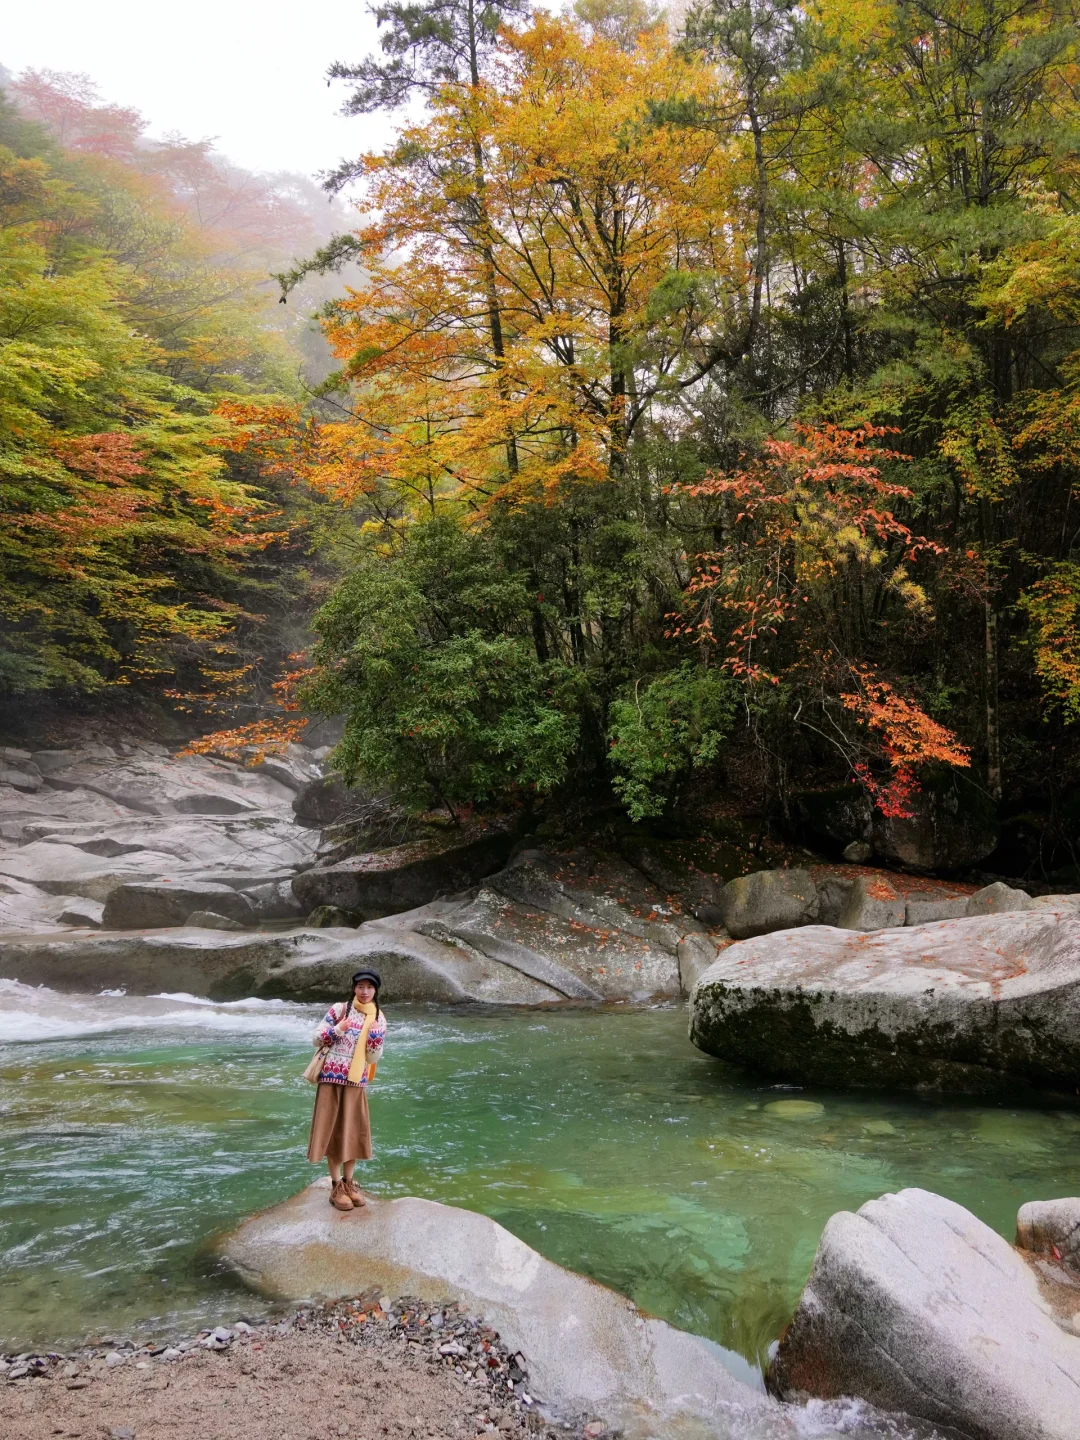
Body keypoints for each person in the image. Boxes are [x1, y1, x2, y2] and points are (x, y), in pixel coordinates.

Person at [306, 968, 387, 1212]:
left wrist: (375, 1039)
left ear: (375, 991)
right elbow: (316, 1038)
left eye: (369, 987)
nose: (364, 991)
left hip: (356, 1083)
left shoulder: (378, 1018)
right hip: (331, 1080)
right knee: (332, 1133)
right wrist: (338, 1029)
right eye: (360, 986)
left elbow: (373, 1058)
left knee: (352, 1134)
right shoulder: (339, 1009)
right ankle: (336, 1187)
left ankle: (349, 1183)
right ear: (354, 988)